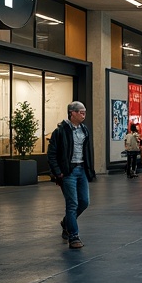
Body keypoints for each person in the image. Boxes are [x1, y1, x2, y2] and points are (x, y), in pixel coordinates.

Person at [47, 101, 97, 250]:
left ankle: (66, 222)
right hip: (68, 172)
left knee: (84, 202)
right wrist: (58, 172)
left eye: (84, 112)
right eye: (81, 112)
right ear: (72, 113)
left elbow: (87, 151)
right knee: (72, 203)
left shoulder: (84, 130)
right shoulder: (60, 131)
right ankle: (73, 236)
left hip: (82, 170)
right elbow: (52, 154)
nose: (84, 115)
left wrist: (90, 169)